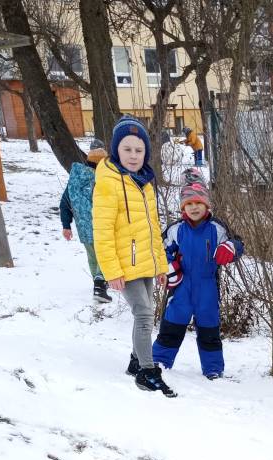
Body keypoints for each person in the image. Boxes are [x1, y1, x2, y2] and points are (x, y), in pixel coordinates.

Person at [92, 116, 174, 397]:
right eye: (127, 149)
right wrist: (112, 271)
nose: (133, 155)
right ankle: (147, 372)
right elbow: (102, 232)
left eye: (139, 150)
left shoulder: (145, 182)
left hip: (145, 263)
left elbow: (152, 229)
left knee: (144, 315)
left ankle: (135, 361)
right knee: (144, 315)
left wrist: (160, 266)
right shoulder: (108, 183)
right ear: (116, 150)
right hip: (124, 266)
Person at [152, 170, 243, 379]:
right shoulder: (176, 229)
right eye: (189, 203)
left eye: (198, 203)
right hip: (181, 289)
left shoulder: (217, 228)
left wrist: (230, 247)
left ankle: (213, 368)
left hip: (207, 288)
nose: (194, 207)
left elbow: (237, 243)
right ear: (183, 207)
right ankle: (160, 361)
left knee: (209, 331)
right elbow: (159, 250)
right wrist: (168, 266)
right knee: (171, 327)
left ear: (206, 205)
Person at [60, 139, 110, 303]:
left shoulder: (75, 180)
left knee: (92, 256)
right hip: (101, 225)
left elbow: (65, 203)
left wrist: (66, 225)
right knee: (104, 254)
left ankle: (97, 283)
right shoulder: (102, 179)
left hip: (83, 227)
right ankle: (100, 285)